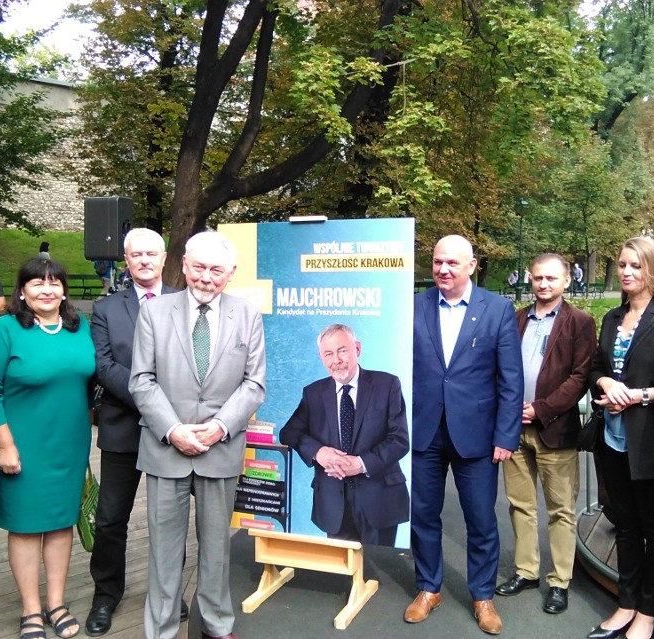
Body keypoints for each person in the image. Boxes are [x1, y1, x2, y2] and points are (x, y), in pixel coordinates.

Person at [129, 230, 266, 639]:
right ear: (184, 265)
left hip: (219, 448)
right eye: (199, 268)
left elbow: (254, 384)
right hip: (165, 449)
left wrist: (220, 426)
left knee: (217, 551)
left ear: (231, 274)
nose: (206, 278)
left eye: (216, 271)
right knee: (164, 553)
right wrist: (173, 430)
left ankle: (216, 626)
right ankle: (162, 630)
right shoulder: (154, 312)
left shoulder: (247, 314)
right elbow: (141, 380)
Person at [405, 235, 523, 635]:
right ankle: (428, 588)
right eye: (438, 262)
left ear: (472, 265)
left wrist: (506, 435)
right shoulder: (415, 306)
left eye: (453, 263)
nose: (443, 270)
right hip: (424, 432)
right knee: (422, 515)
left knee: (480, 520)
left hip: (476, 435)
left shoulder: (498, 309)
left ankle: (482, 596)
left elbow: (511, 380)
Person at [0, 258, 95, 639]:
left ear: (64, 290)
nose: (46, 289)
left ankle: (57, 602)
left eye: (54, 283)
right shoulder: (5, 330)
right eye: (37, 283)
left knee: (62, 523)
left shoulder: (80, 328)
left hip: (70, 443)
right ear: (22, 290)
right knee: (27, 527)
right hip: (23, 445)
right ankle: (31, 609)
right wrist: (4, 445)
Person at [586, 236, 654, 639]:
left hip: (650, 443)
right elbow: (595, 368)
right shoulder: (612, 318)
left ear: (653, 270)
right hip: (611, 439)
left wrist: (640, 396)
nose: (627, 272)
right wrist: (607, 381)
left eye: (635, 266)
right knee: (625, 524)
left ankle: (649, 610)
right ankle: (626, 603)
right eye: (623, 265)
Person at [85, 229, 182, 637]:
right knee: (110, 519)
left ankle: (170, 595)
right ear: (126, 260)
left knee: (171, 520)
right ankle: (106, 595)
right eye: (135, 254)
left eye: (150, 254)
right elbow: (104, 366)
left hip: (175, 432)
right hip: (125, 427)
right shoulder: (106, 308)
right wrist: (153, 401)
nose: (144, 260)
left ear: (163, 258)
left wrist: (168, 413)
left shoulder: (185, 300)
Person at [496, 254, 596, 615]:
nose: (544, 284)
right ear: (530, 279)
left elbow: (579, 377)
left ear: (566, 280)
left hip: (555, 429)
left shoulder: (580, 322)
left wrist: (541, 408)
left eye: (551, 278)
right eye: (538, 278)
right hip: (514, 430)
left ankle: (559, 581)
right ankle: (527, 571)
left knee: (561, 510)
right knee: (520, 505)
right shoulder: (516, 317)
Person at [279, 323, 410, 545]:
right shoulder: (313, 393)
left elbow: (399, 440)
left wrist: (361, 463)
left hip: (379, 498)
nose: (336, 360)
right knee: (342, 573)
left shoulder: (387, 384)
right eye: (328, 354)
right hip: (334, 502)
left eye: (342, 350)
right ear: (321, 358)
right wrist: (318, 452)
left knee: (377, 570)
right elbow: (289, 432)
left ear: (357, 349)